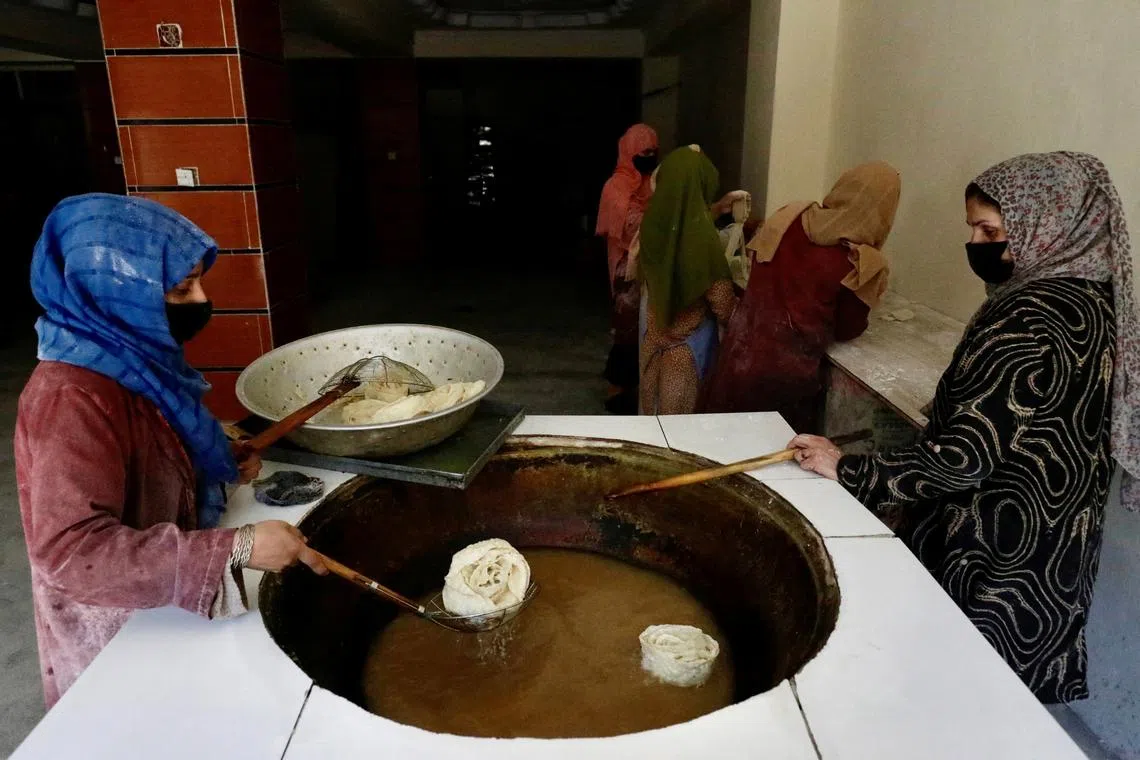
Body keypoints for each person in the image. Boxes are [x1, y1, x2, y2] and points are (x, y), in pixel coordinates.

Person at [790, 152, 1140, 704]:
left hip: (994, 548)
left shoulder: (1031, 315)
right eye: (974, 229)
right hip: (1052, 546)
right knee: (995, 705)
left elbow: (965, 457)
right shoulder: (1092, 300)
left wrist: (849, 468)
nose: (978, 244)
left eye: (991, 229)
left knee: (951, 693)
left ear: (1044, 224)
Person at [15, 194, 328, 708]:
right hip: (116, 625)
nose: (200, 300)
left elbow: (152, 437)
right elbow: (72, 555)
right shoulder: (69, 398)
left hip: (162, 592)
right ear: (113, 294)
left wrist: (214, 455)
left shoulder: (131, 357)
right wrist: (236, 547)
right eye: (182, 290)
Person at [700, 162, 901, 432]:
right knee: (764, 461)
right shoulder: (859, 261)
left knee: (715, 446)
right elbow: (847, 329)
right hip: (783, 380)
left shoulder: (791, 216)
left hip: (738, 357)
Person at [638, 146, 741, 415]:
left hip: (651, 348)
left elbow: (681, 223)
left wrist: (717, 209)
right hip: (684, 359)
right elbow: (724, 307)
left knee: (652, 426)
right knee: (678, 438)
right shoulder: (702, 241)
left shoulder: (652, 224)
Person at [596, 124, 659, 414]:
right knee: (627, 328)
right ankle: (617, 390)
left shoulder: (652, 182)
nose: (649, 157)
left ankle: (632, 391)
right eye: (643, 152)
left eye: (653, 152)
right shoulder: (615, 186)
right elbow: (629, 225)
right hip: (625, 268)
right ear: (629, 152)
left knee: (643, 328)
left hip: (648, 264)